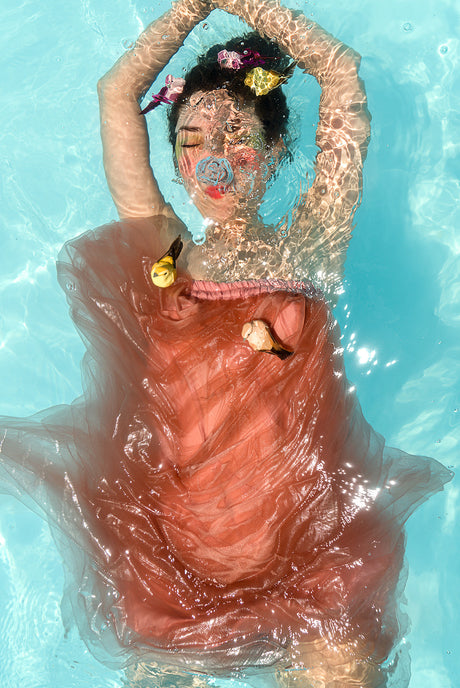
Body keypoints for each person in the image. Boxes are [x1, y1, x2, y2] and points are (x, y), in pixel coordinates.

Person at [0, 1, 452, 687]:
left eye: (235, 132)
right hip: (177, 572)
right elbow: (117, 94)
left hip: (313, 563)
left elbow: (341, 74)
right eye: (191, 136)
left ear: (274, 152)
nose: (212, 156)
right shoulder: (164, 252)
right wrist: (187, 12)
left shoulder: (310, 245)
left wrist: (251, 8)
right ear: (176, 161)